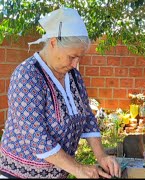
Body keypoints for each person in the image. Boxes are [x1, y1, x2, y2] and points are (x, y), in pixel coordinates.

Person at [0, 7, 121, 178]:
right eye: (72, 57)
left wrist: (102, 156)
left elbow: (87, 116)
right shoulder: (27, 76)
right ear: (53, 42)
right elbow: (37, 138)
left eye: (80, 58)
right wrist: (78, 169)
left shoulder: (73, 76)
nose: (75, 64)